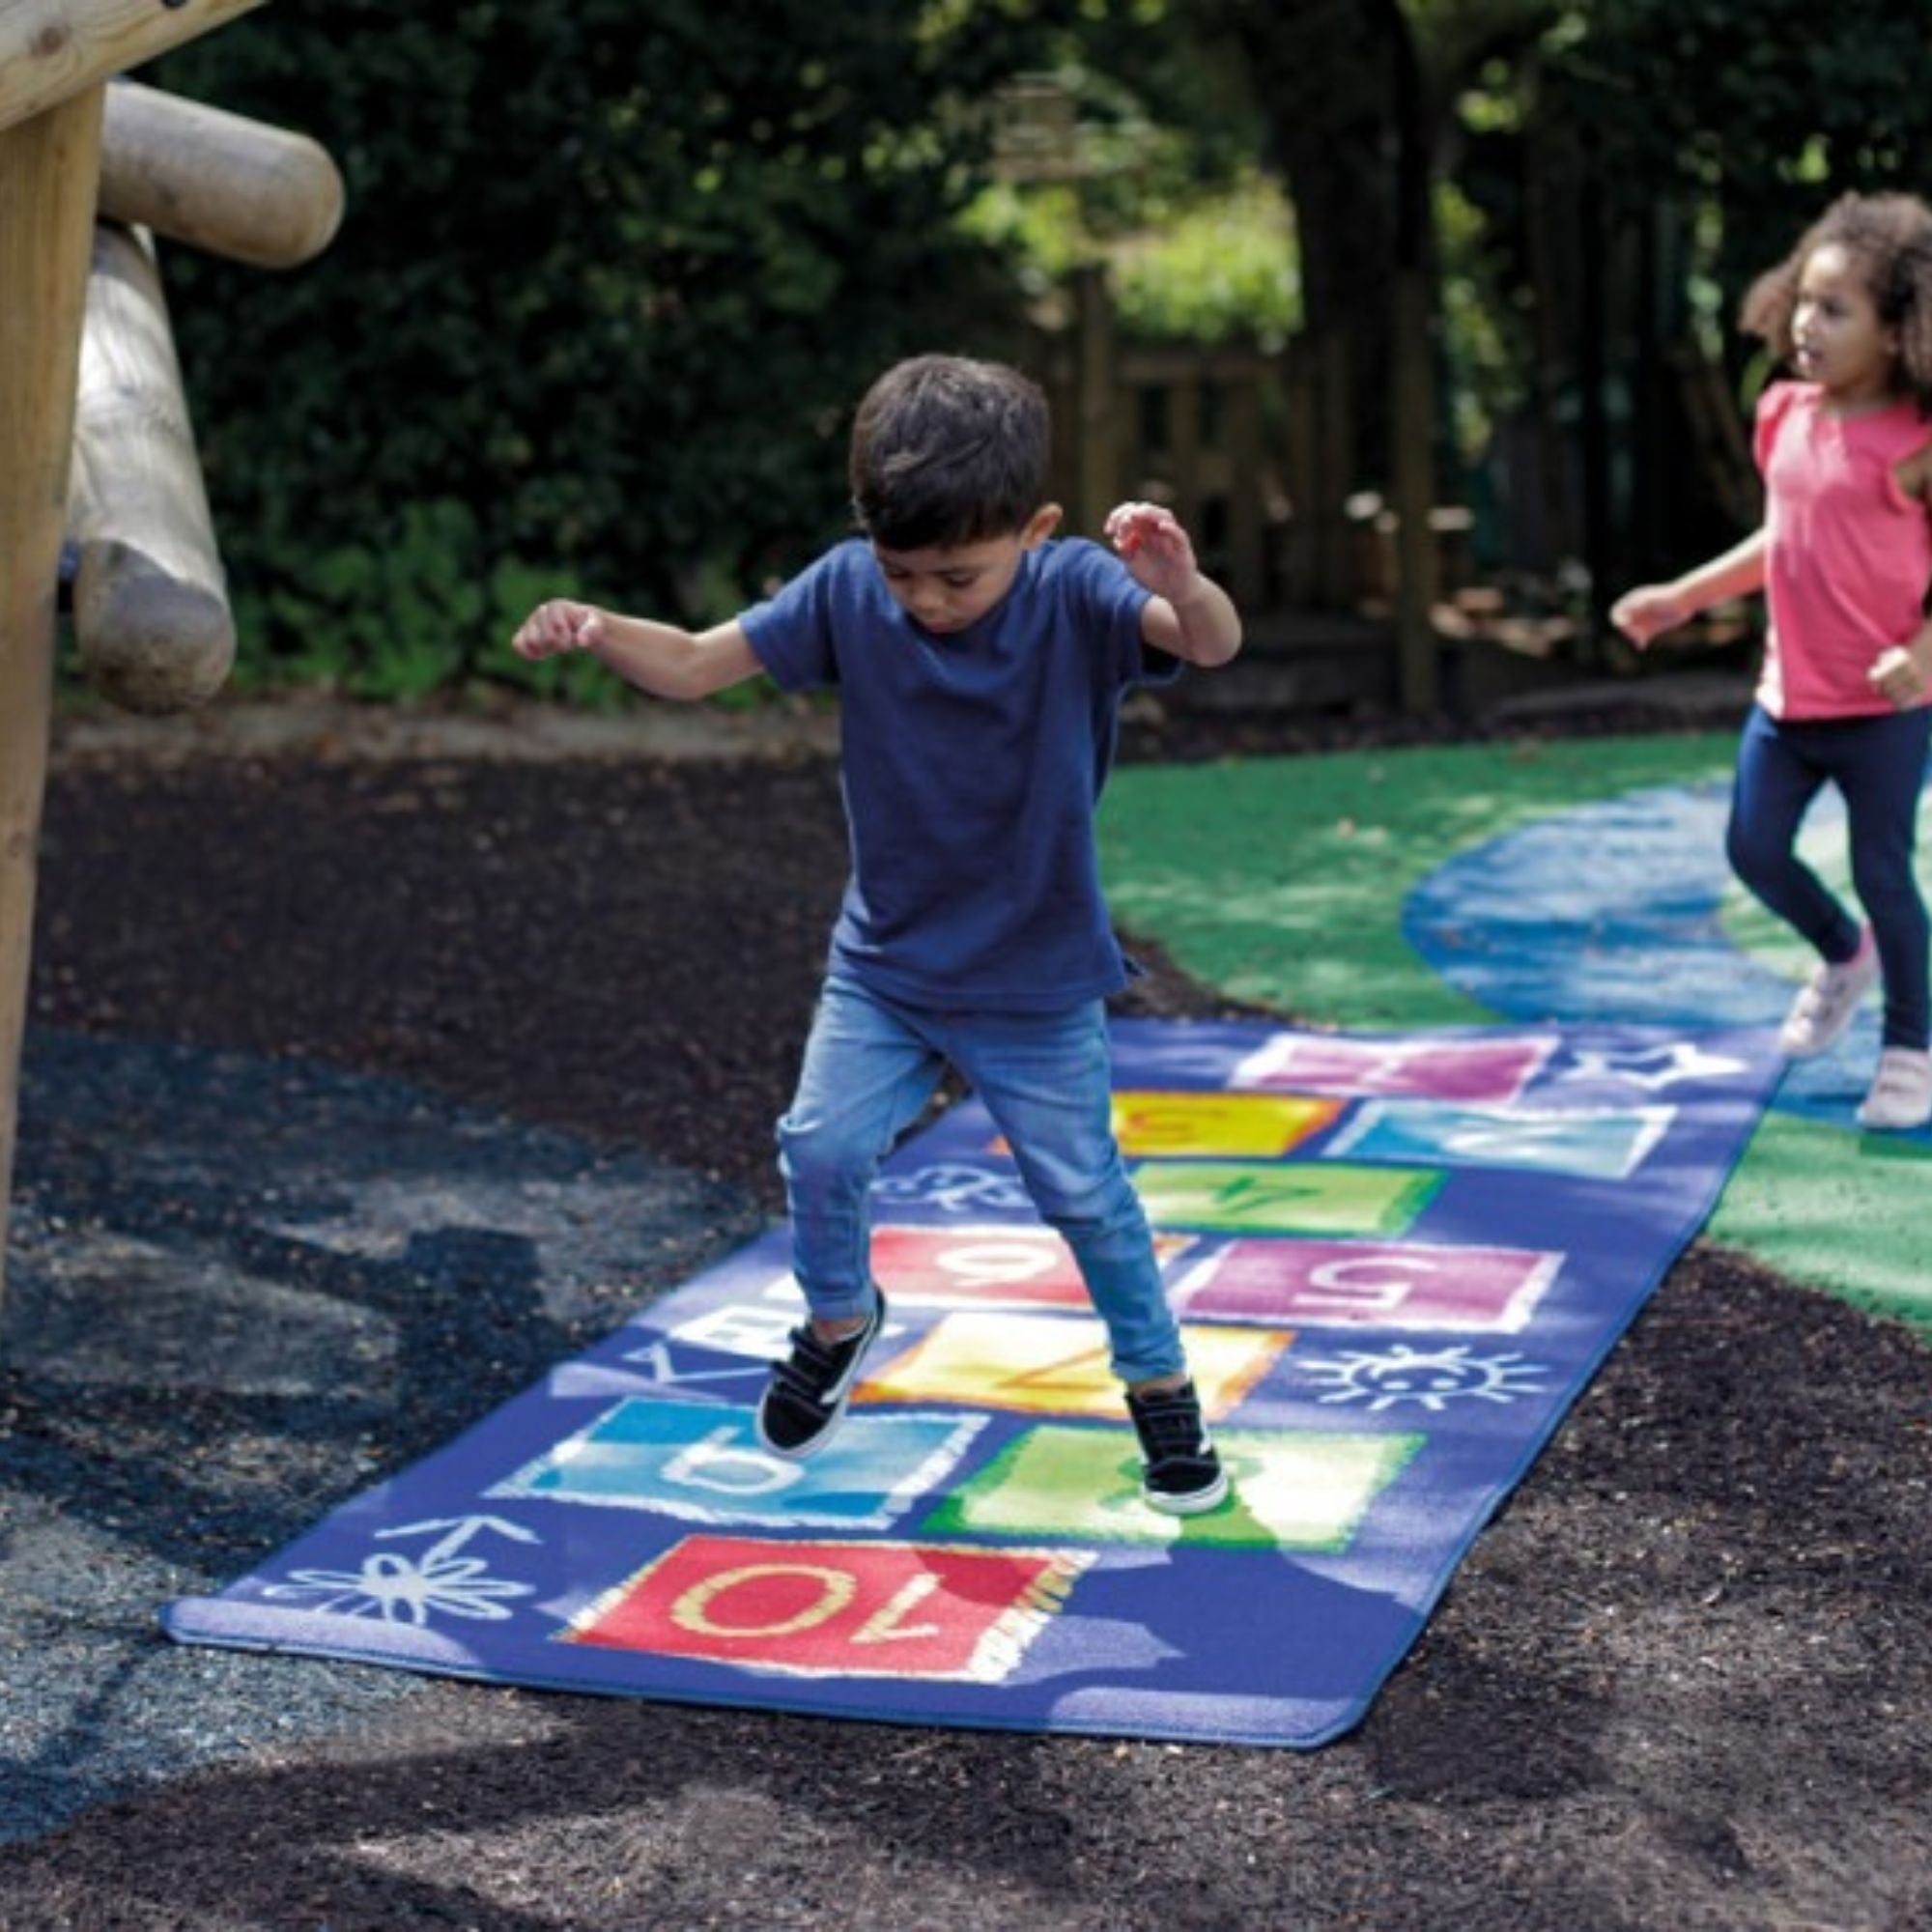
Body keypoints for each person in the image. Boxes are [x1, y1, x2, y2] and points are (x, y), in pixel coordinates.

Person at [512, 353, 1244, 1512]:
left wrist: (1181, 580)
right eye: (907, 574)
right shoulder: (851, 589)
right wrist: (599, 625)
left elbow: (1204, 644)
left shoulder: (1071, 592)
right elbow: (703, 663)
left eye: (956, 575)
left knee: (1083, 1194)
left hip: (1034, 976)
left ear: (1036, 527)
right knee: (819, 1144)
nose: (926, 601)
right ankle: (841, 1319)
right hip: (888, 966)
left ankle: (1158, 1390)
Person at [1611, 191, 1932, 1132]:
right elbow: (1783, 536)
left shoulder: (1914, 444)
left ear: (1896, 329)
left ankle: (1909, 1045)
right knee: (1751, 848)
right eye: (1803, 299)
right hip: (1786, 698)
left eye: (1835, 309)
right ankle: (1841, 954)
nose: (1805, 323)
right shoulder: (1782, 412)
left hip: (1883, 710)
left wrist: (1918, 651)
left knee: (1881, 867)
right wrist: (1680, 597)